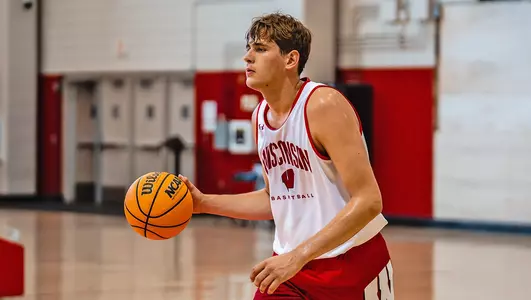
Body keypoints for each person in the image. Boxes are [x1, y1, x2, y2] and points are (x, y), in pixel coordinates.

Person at [179, 12, 394, 300]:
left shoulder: (323, 105)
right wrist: (203, 203)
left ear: (290, 60)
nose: (247, 58)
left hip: (350, 261)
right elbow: (274, 198)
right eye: (248, 49)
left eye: (260, 49)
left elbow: (369, 200)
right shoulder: (259, 118)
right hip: (289, 269)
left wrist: (299, 256)